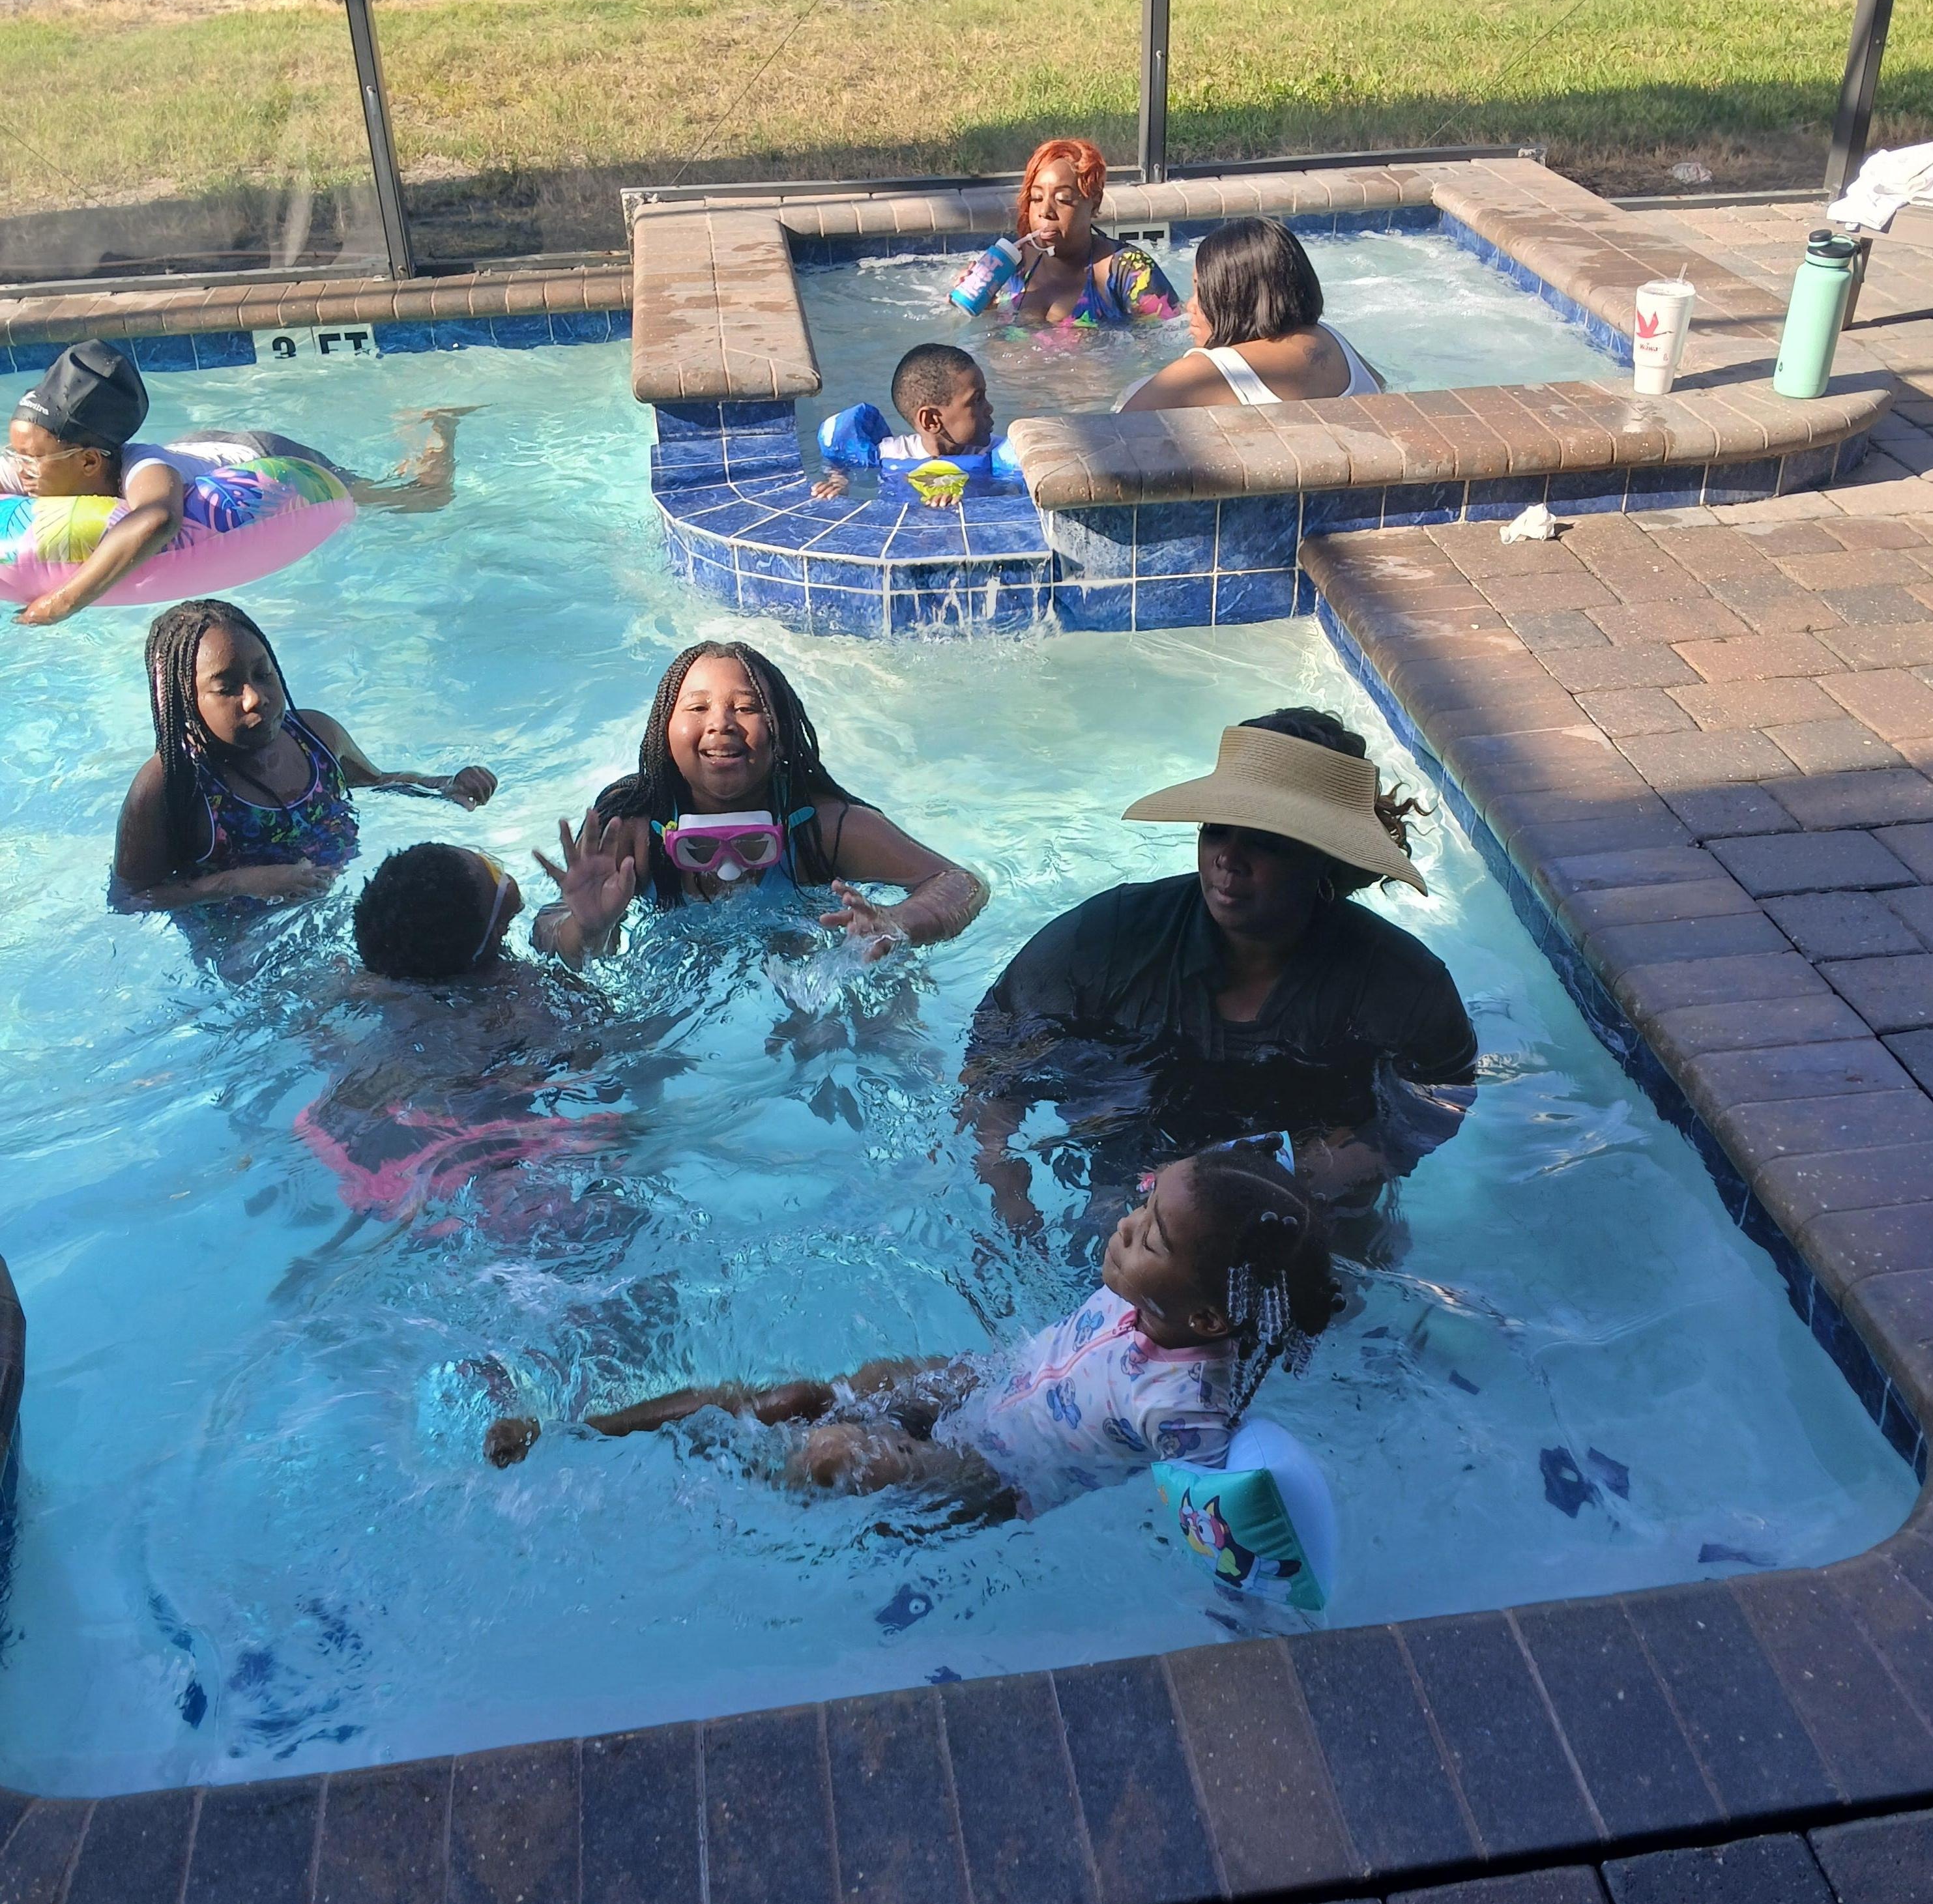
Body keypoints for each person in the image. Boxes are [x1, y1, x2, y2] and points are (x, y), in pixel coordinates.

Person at [488, 1141, 1340, 1512]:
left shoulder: (1182, 1399)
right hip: (988, 1381)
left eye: (1150, 1236)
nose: (1125, 1224)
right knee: (800, 1395)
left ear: (1206, 1315)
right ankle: (577, 1427)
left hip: (995, 1474)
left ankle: (733, 1482)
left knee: (830, 1454)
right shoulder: (1163, 1294)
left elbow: (1213, 1498)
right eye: (1145, 1201)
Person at [965, 710, 1477, 1234]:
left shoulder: (1402, 985)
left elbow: (1432, 1112)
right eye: (1216, 830)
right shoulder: (1108, 939)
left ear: (1323, 856)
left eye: (1265, 840)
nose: (1229, 858)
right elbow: (994, 1063)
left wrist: (1288, 1174)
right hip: (1126, 1202)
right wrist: (1007, 1189)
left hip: (1309, 1208)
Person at [531, 640, 987, 966]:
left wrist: (898, 922)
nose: (721, 724)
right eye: (696, 709)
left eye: (746, 708)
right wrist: (588, 928)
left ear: (782, 734)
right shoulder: (634, 827)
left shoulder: (822, 827)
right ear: (663, 735)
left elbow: (961, 883)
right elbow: (550, 933)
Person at [5, 341, 477, 623]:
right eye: (15, 452)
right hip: (196, 449)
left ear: (90, 462)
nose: (19, 467)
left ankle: (439, 427)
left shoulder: (143, 468)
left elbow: (157, 520)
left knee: (421, 500)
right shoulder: (43, 465)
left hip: (264, 461)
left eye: (30, 458)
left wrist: (65, 601)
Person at [113, 596, 497, 907]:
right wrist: (239, 882)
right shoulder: (172, 782)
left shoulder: (316, 736)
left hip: (343, 902)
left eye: (263, 675)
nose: (255, 698)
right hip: (242, 941)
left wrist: (445, 785)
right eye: (226, 688)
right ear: (182, 702)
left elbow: (378, 782)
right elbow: (130, 897)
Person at [1116, 218, 1381, 414]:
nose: (1190, 305)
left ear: (1232, 297)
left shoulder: (1204, 371)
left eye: (1200, 289)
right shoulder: (1335, 342)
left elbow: (1115, 438)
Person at [948, 139, 1178, 328]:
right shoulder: (1011, 264)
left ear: (1094, 202)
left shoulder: (1128, 270)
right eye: (1036, 198)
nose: (1045, 211)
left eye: (1063, 200)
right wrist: (985, 309)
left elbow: (1167, 341)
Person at [813, 345, 1022, 502]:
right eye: (977, 400)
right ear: (931, 421)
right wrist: (839, 480)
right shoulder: (887, 456)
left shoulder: (994, 455)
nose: (989, 408)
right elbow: (842, 470)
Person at [353, 843, 524, 981]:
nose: (508, 879)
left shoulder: (358, 984)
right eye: (495, 872)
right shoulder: (521, 1004)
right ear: (498, 929)